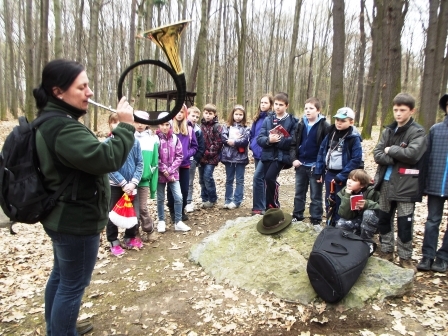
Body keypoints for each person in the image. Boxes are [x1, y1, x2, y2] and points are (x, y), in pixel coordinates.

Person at [34, 59, 135, 336]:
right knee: (72, 284)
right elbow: (107, 157)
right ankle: (61, 330)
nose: (89, 92)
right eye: (82, 87)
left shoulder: (56, 120)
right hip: (75, 221)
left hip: (63, 217)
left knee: (62, 277)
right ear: (58, 92)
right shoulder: (62, 128)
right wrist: (125, 127)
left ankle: (57, 325)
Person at [373, 93, 427, 272]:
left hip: (407, 185)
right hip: (385, 182)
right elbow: (378, 154)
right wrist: (394, 155)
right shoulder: (388, 130)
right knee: (384, 219)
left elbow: (412, 155)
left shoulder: (417, 132)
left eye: (402, 110)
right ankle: (387, 250)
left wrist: (390, 150)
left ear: (412, 111)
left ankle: (405, 256)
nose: (398, 114)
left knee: (405, 222)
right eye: (396, 110)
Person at [314, 107, 363, 225]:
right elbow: (321, 152)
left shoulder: (353, 137)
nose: (339, 123)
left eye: (343, 121)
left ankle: (340, 225)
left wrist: (342, 176)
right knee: (330, 200)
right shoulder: (331, 133)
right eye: (337, 120)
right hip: (329, 173)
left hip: (345, 175)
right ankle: (330, 224)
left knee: (341, 201)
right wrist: (318, 171)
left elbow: (356, 159)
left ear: (351, 122)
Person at [417, 93, 448, 273]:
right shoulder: (436, 130)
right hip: (436, 183)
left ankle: (443, 257)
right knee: (432, 221)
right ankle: (427, 256)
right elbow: (426, 158)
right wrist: (423, 183)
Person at [106, 112, 144, 256]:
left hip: (132, 185)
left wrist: (133, 183)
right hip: (115, 186)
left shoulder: (135, 142)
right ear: (110, 124)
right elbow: (109, 166)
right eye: (115, 122)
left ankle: (130, 236)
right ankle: (113, 240)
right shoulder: (108, 143)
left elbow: (140, 163)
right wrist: (122, 183)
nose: (117, 125)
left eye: (120, 122)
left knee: (134, 213)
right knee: (113, 213)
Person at [290, 97, 330, 228]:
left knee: (316, 195)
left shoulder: (325, 126)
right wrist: (294, 158)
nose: (308, 111)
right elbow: (294, 143)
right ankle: (297, 216)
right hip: (301, 165)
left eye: (311, 108)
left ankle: (316, 219)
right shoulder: (300, 124)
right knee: (299, 193)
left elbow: (326, 149)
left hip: (315, 167)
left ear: (318, 110)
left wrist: (320, 167)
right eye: (306, 108)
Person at [257, 93, 297, 210]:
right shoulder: (268, 120)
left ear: (286, 106)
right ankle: (269, 207)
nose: (278, 107)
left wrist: (278, 141)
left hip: (282, 156)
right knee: (268, 180)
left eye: (281, 105)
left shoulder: (292, 121)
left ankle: (273, 205)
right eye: (276, 104)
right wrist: (269, 140)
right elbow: (260, 139)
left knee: (270, 178)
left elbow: (293, 140)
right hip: (268, 154)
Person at [156, 112, 191, 232]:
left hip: (173, 175)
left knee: (179, 197)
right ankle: (161, 221)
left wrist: (170, 171)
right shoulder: (155, 139)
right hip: (160, 175)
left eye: (167, 124)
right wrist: (163, 169)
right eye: (162, 125)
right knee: (160, 198)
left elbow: (179, 156)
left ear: (170, 125)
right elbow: (155, 157)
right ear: (158, 126)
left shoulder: (175, 138)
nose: (165, 127)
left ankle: (178, 221)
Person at [167, 105, 198, 221]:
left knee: (184, 189)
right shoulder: (169, 127)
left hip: (184, 164)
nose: (179, 114)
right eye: (177, 112)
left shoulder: (189, 129)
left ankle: (182, 208)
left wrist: (187, 153)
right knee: (172, 189)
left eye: (181, 112)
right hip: (172, 166)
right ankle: (172, 210)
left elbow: (195, 146)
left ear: (185, 114)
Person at [134, 110, 159, 234]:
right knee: (133, 209)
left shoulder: (152, 140)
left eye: (142, 122)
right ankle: (134, 233)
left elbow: (155, 163)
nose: (139, 125)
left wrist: (153, 187)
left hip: (144, 180)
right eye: (137, 122)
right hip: (130, 181)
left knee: (142, 208)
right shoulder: (129, 137)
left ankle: (149, 229)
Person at [336, 169, 380, 239]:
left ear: (362, 185)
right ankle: (354, 238)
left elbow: (382, 207)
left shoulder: (373, 191)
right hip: (357, 220)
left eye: (354, 180)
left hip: (374, 222)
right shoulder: (345, 191)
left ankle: (367, 242)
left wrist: (367, 204)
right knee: (341, 223)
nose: (349, 182)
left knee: (368, 213)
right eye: (349, 178)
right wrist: (347, 196)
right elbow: (344, 215)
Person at [221, 105, 250, 209]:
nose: (238, 116)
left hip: (240, 157)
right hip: (228, 156)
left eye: (240, 114)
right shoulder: (226, 126)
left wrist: (235, 141)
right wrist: (231, 141)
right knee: (229, 179)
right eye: (236, 114)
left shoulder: (246, 128)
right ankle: (228, 199)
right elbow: (223, 138)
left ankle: (237, 200)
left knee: (239, 180)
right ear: (232, 114)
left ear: (244, 115)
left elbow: (245, 140)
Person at [250, 94, 273, 215]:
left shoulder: (271, 118)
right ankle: (263, 204)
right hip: (256, 153)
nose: (263, 104)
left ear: (271, 105)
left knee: (258, 178)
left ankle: (259, 207)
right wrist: (252, 145)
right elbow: (252, 134)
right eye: (261, 102)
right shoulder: (257, 118)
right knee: (261, 179)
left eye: (266, 103)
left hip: (266, 153)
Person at [199, 103, 223, 208]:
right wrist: (200, 153)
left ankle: (212, 199)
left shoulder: (217, 126)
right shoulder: (200, 126)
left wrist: (208, 153)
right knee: (201, 179)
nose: (208, 115)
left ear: (214, 115)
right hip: (201, 157)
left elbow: (218, 142)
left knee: (207, 177)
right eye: (206, 113)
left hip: (212, 158)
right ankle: (204, 198)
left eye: (210, 113)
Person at [185, 106, 205, 213]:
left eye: (197, 117)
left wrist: (196, 159)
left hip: (191, 159)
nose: (194, 118)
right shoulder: (181, 127)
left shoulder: (197, 130)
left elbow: (201, 147)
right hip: (179, 159)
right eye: (193, 116)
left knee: (189, 182)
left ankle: (188, 202)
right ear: (187, 115)